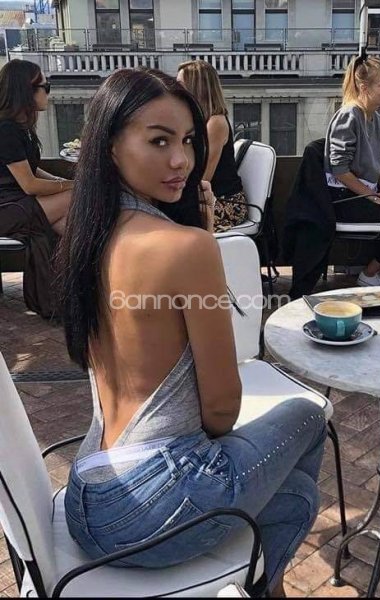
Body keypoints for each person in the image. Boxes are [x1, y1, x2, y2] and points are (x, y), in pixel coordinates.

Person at [58, 67, 326, 597]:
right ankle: (263, 586)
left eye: (186, 140)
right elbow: (221, 411)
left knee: (295, 494)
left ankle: (264, 587)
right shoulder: (184, 248)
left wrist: (197, 234)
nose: (181, 160)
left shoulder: (88, 234)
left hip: (85, 496)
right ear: (110, 146)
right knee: (309, 416)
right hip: (149, 510)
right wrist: (202, 243)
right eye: (158, 141)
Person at [0, 59, 72, 318]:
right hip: (7, 210)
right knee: (76, 198)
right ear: (26, 91)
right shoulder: (6, 130)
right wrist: (71, 184)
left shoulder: (20, 128)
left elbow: (32, 169)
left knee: (68, 225)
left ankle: (72, 288)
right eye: (45, 87)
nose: (48, 92)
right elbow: (29, 184)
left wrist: (59, 181)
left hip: (15, 204)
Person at [325, 53, 380, 286]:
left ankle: (373, 275)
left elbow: (369, 164)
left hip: (364, 194)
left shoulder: (376, 119)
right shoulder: (349, 116)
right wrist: (374, 197)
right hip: (344, 200)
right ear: (364, 87)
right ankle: (373, 276)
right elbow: (339, 170)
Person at [177, 59, 248, 233]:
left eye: (180, 85)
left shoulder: (216, 123)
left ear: (196, 88)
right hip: (205, 198)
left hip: (226, 203)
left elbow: (204, 178)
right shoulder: (196, 121)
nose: (176, 90)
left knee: (170, 218)